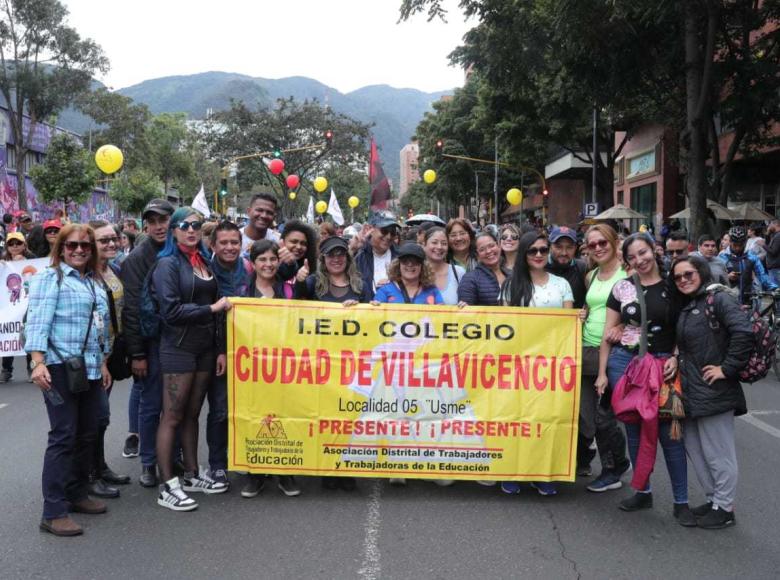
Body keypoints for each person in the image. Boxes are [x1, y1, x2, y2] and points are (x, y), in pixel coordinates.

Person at [594, 233, 694, 525]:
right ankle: (642, 491)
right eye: (633, 257)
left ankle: (682, 501)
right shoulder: (622, 287)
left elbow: (684, 328)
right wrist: (602, 373)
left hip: (664, 365)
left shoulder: (674, 285)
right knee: (634, 434)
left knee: (670, 435)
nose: (640, 260)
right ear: (627, 261)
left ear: (654, 250)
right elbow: (608, 334)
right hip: (626, 364)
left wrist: (676, 356)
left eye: (643, 253)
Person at [25, 223, 112, 536]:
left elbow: (100, 327)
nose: (78, 250)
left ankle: (76, 493)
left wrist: (103, 362)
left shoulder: (93, 281)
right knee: (63, 435)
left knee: (88, 432)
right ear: (61, 248)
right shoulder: (51, 277)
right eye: (72, 245)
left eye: (85, 246)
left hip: (89, 367)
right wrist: (37, 362)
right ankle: (53, 510)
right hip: (59, 367)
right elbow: (36, 321)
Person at [153, 207, 232, 511]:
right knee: (172, 415)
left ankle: (191, 474)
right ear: (173, 231)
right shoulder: (167, 265)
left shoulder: (202, 262)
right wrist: (211, 309)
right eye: (183, 225)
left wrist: (220, 347)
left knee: (192, 414)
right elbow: (170, 311)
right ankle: (167, 485)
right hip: (178, 348)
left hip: (205, 349)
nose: (190, 230)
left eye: (196, 226)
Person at [670, 255, 752, 529]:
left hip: (715, 391)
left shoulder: (718, 299)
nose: (683, 279)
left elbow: (743, 332)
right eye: (678, 276)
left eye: (689, 274)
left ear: (702, 273)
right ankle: (714, 500)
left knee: (718, 453)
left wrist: (726, 369)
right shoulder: (690, 304)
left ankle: (725, 507)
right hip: (693, 392)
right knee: (695, 448)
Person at [499, 231, 573, 496]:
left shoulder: (562, 285)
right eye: (533, 251)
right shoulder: (510, 286)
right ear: (524, 254)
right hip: (520, 365)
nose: (540, 255)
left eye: (543, 250)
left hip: (552, 366)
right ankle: (512, 472)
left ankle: (543, 474)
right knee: (517, 420)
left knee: (546, 421)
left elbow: (567, 326)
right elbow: (507, 329)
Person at [296, 236, 368, 490]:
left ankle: (346, 468)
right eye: (330, 255)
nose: (336, 259)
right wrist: (298, 282)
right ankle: (326, 468)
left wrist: (361, 307)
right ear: (323, 260)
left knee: (348, 416)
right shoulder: (314, 283)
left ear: (347, 258)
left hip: (353, 362)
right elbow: (294, 311)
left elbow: (373, 317)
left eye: (340, 254)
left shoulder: (361, 285)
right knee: (325, 416)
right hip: (322, 362)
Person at [119, 198, 175, 483]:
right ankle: (149, 463)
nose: (158, 226)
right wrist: (137, 354)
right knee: (151, 404)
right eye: (152, 221)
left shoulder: (180, 250)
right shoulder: (137, 259)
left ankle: (173, 457)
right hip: (151, 343)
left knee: (175, 405)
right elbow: (131, 310)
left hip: (179, 343)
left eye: (163, 220)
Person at [239, 239, 300, 499]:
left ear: (279, 261)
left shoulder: (288, 290)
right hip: (252, 368)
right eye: (262, 259)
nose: (268, 264)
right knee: (255, 415)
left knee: (284, 414)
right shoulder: (242, 292)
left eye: (273, 259)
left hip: (283, 365)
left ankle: (284, 470)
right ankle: (256, 473)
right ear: (253, 264)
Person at [578, 225, 631, 493]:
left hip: (614, 353)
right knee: (586, 416)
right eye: (592, 244)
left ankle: (613, 468)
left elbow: (640, 312)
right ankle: (618, 460)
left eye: (603, 243)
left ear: (613, 242)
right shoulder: (591, 275)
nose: (598, 247)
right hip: (586, 350)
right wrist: (583, 314)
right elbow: (594, 306)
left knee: (604, 416)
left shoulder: (628, 275)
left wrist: (623, 327)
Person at [86, 220, 131, 499]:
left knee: (101, 418)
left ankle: (100, 467)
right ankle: (89, 475)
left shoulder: (113, 269)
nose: (111, 244)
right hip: (93, 356)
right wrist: (100, 360)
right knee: (95, 416)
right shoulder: (86, 275)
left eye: (114, 239)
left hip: (113, 351)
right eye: (104, 240)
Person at [207, 221, 252, 489]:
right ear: (213, 245)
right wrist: (220, 351)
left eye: (234, 242)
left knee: (247, 409)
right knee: (220, 410)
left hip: (249, 353)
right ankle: (217, 464)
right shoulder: (205, 271)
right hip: (219, 353)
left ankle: (246, 459)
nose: (229, 247)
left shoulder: (249, 269)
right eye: (223, 242)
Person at [1, 232, 35, 383]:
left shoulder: (34, 259)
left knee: (27, 334)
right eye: (11, 243)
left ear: (24, 245)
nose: (15, 246)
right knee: (8, 335)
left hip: (28, 304)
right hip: (9, 307)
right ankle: (7, 369)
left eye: (18, 243)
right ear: (7, 246)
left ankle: (32, 367)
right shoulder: (2, 262)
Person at [372, 243, 444, 306]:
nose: (410, 264)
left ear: (422, 266)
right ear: (398, 264)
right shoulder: (385, 290)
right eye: (405, 260)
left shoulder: (432, 290)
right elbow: (375, 316)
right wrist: (374, 308)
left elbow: (443, 314)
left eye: (415, 261)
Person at [721, 226, 777, 305]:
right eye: (735, 245)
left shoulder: (751, 257)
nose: (737, 248)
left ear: (745, 242)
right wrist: (727, 277)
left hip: (748, 298)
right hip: (728, 300)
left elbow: (762, 275)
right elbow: (716, 280)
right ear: (730, 242)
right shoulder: (722, 257)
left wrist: (775, 288)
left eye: (740, 245)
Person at [457, 232, 511, 307]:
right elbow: (466, 313)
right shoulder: (470, 279)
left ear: (498, 246)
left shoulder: (512, 274)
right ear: (477, 255)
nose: (488, 251)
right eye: (482, 249)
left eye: (491, 246)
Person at [354, 215, 399, 299]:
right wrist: (352, 249)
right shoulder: (359, 256)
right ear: (371, 230)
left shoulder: (400, 257)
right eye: (384, 231)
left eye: (393, 232)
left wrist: (394, 285)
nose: (389, 236)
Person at [546, 226, 588, 308]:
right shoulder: (540, 267)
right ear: (550, 246)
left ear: (575, 248)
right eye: (559, 247)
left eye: (569, 247)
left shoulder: (583, 268)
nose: (564, 253)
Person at [422, 226, 465, 305]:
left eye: (444, 243)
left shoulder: (458, 272)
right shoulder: (415, 272)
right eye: (434, 242)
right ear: (424, 245)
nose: (439, 247)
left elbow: (467, 301)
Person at [766, 220, 780, 286]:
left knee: (776, 288)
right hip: (773, 266)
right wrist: (767, 233)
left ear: (776, 225)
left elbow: (773, 251)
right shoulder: (775, 235)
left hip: (775, 266)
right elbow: (769, 246)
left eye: (770, 225)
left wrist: (763, 245)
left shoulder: (778, 236)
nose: (769, 227)